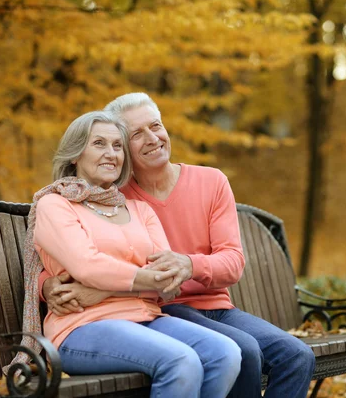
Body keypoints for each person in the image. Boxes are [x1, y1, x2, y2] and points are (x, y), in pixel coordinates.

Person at [41, 94, 315, 398]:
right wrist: (47, 285)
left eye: (155, 126)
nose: (151, 139)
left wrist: (189, 265)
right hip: (165, 307)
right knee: (243, 351)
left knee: (297, 356)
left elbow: (232, 262)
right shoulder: (112, 194)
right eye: (135, 135)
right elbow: (71, 259)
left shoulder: (200, 185)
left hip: (203, 307)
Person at [14, 110, 241, 398]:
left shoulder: (138, 209)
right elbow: (88, 266)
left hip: (147, 317)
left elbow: (167, 279)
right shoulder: (55, 205)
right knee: (181, 361)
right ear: (75, 154)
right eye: (99, 144)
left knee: (225, 353)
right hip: (83, 327)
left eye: (118, 146)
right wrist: (132, 284)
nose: (111, 154)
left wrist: (100, 291)